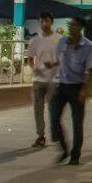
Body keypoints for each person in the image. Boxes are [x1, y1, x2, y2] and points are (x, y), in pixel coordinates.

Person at [51, 17, 92, 165]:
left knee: (77, 122)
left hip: (77, 86)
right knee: (54, 118)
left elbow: (90, 69)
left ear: (81, 27)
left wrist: (85, 89)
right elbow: (59, 60)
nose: (71, 28)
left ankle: (75, 155)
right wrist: (51, 65)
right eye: (69, 25)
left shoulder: (89, 46)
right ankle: (64, 149)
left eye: (74, 25)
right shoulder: (62, 42)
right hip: (62, 84)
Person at [27, 12, 63, 147]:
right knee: (38, 109)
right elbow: (30, 58)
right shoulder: (34, 40)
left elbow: (64, 58)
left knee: (54, 109)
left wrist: (54, 64)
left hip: (54, 79)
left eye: (47, 21)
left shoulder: (59, 39)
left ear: (51, 22)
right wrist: (34, 67)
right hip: (38, 79)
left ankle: (56, 134)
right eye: (42, 21)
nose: (44, 24)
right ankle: (40, 135)